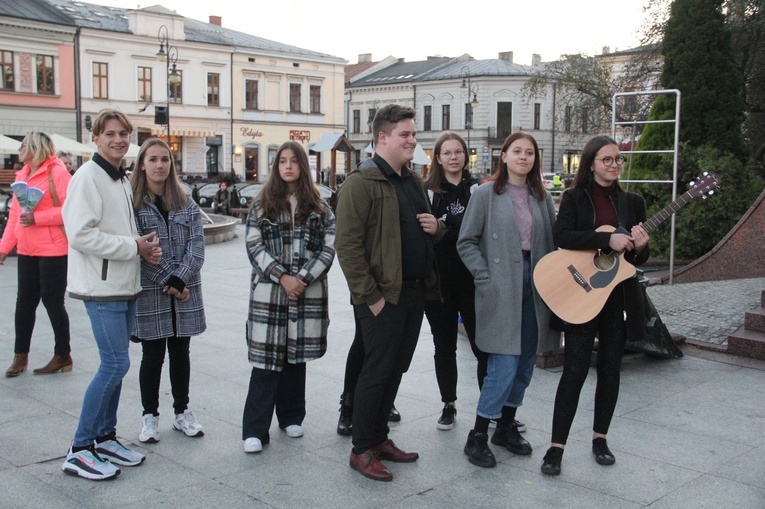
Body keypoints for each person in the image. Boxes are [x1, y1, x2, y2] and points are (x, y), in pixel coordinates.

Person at [334, 104, 445, 482]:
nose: (414, 140)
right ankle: (362, 449)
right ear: (383, 138)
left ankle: (379, 438)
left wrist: (437, 229)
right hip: (382, 298)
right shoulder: (360, 183)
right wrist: (372, 297)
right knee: (376, 371)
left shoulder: (412, 181)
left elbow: (423, 229)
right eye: (405, 134)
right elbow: (347, 246)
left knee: (396, 368)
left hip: (413, 293)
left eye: (414, 134)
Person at [61, 109, 161, 481]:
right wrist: (131, 246)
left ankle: (104, 437)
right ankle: (80, 447)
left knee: (118, 366)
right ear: (96, 138)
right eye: (111, 134)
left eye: (124, 134)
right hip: (101, 288)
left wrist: (142, 248)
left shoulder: (118, 177)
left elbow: (118, 229)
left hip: (124, 284)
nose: (119, 140)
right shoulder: (87, 177)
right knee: (114, 365)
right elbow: (80, 234)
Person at [540, 135, 649, 476]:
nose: (614, 165)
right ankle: (556, 447)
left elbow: (636, 258)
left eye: (618, 159)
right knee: (573, 370)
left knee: (611, 369)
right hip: (581, 295)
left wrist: (641, 246)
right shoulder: (575, 197)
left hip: (616, 298)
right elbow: (563, 236)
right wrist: (607, 239)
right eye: (607, 160)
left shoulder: (633, 202)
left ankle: (600, 439)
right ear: (591, 163)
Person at [457, 132, 560, 468]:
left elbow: (556, 241)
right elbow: (466, 241)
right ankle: (477, 435)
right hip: (502, 284)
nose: (523, 157)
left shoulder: (542, 197)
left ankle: (506, 426)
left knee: (527, 362)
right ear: (504, 156)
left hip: (537, 284)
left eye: (529, 152)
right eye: (517, 151)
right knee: (504, 364)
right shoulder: (486, 194)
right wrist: (483, 275)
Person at [242, 141, 335, 454]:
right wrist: (282, 276)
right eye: (282, 160)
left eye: (294, 160)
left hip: (306, 294)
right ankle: (255, 429)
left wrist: (303, 278)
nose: (288, 166)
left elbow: (328, 247)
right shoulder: (262, 205)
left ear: (303, 166)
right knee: (266, 363)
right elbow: (254, 246)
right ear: (276, 166)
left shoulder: (320, 207)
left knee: (296, 359)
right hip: (271, 293)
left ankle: (291, 416)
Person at [131, 138, 206, 444]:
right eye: (153, 159)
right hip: (152, 291)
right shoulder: (134, 205)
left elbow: (197, 247)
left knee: (180, 353)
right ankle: (150, 416)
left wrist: (181, 279)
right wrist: (169, 280)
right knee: (152, 355)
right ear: (142, 164)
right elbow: (138, 250)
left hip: (184, 290)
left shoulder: (186, 202)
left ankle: (182, 411)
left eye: (165, 159)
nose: (160, 165)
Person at [423, 131, 488, 431]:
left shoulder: (478, 190)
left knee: (482, 345)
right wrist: (450, 228)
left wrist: (445, 227)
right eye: (447, 153)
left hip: (473, 280)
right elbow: (425, 232)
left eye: (458, 151)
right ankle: (448, 404)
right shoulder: (428, 192)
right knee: (444, 345)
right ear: (438, 157)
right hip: (438, 282)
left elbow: (479, 231)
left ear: (466, 155)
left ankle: (492, 406)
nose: (453, 157)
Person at [1, 132, 72, 377]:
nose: (19, 149)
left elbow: (72, 209)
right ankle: (20, 357)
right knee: (24, 303)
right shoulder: (22, 175)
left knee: (53, 302)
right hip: (27, 249)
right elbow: (15, 218)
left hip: (54, 248)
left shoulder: (57, 173)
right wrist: (3, 247)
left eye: (23, 145)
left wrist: (38, 218)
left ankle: (63, 354)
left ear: (36, 148)